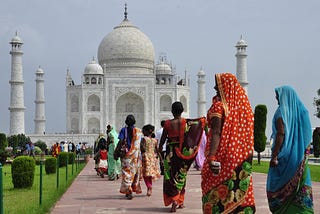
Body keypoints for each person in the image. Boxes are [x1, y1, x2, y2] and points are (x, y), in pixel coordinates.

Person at [201, 73, 256, 213]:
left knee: (215, 193)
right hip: (239, 157)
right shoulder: (243, 109)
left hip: (221, 156)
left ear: (225, 86)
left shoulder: (219, 106)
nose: (215, 87)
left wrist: (212, 156)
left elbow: (216, 133)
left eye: (218, 84)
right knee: (237, 190)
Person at [266, 85, 314, 213]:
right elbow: (307, 134)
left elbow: (281, 134)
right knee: (300, 188)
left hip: (286, 157)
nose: (276, 98)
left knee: (276, 187)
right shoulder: (302, 111)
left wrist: (275, 155)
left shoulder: (281, 111)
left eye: (278, 95)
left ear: (285, 96)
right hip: (300, 158)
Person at [158, 101, 206, 212]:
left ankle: (173, 199)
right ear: (182, 110)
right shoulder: (185, 122)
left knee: (170, 176)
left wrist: (159, 149)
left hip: (170, 152)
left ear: (172, 111)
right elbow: (194, 131)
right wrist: (202, 121)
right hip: (182, 152)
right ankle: (179, 200)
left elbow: (163, 139)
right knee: (181, 175)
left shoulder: (167, 124)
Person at [118, 114, 142, 200]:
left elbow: (120, 141)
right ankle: (131, 188)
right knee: (134, 172)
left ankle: (129, 190)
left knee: (126, 173)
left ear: (126, 122)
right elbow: (140, 144)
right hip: (135, 156)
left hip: (126, 155)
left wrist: (116, 151)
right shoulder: (139, 131)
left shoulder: (123, 130)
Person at [141, 124, 161, 197]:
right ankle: (149, 187)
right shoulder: (155, 140)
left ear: (147, 131)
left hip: (146, 157)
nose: (142, 132)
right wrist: (159, 158)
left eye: (143, 130)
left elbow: (142, 149)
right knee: (150, 173)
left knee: (145, 174)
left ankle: (149, 187)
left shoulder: (144, 139)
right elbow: (157, 150)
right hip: (152, 158)